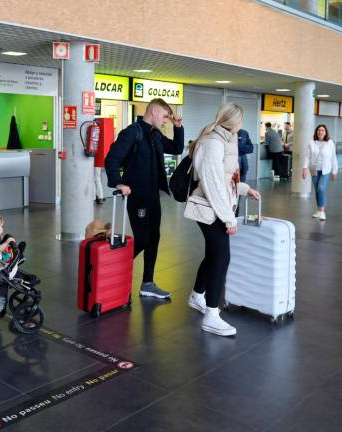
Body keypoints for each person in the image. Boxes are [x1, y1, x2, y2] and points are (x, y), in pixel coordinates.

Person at [184, 102, 260, 336]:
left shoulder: (224, 140)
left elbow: (226, 179)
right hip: (210, 209)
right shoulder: (214, 143)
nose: (241, 125)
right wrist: (229, 219)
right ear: (235, 121)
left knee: (214, 254)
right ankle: (212, 315)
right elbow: (212, 184)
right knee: (221, 257)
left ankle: (198, 295)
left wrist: (244, 189)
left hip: (216, 206)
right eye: (241, 120)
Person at [105, 98, 184, 299]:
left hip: (153, 196)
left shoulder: (155, 135)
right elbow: (112, 158)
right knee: (143, 238)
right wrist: (118, 182)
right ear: (154, 112)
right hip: (137, 196)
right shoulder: (133, 132)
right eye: (165, 116)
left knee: (154, 238)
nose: (166, 120)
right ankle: (112, 268)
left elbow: (176, 148)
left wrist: (178, 127)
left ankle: (147, 283)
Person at [302, 124, 338, 221]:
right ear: (316, 132)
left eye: (322, 130)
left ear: (325, 132)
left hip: (326, 170)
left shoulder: (330, 142)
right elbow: (307, 156)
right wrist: (304, 168)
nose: (320, 132)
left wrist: (335, 171)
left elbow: (333, 157)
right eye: (319, 130)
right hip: (314, 169)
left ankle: (322, 211)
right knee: (317, 189)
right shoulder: (311, 142)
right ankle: (318, 210)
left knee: (321, 188)